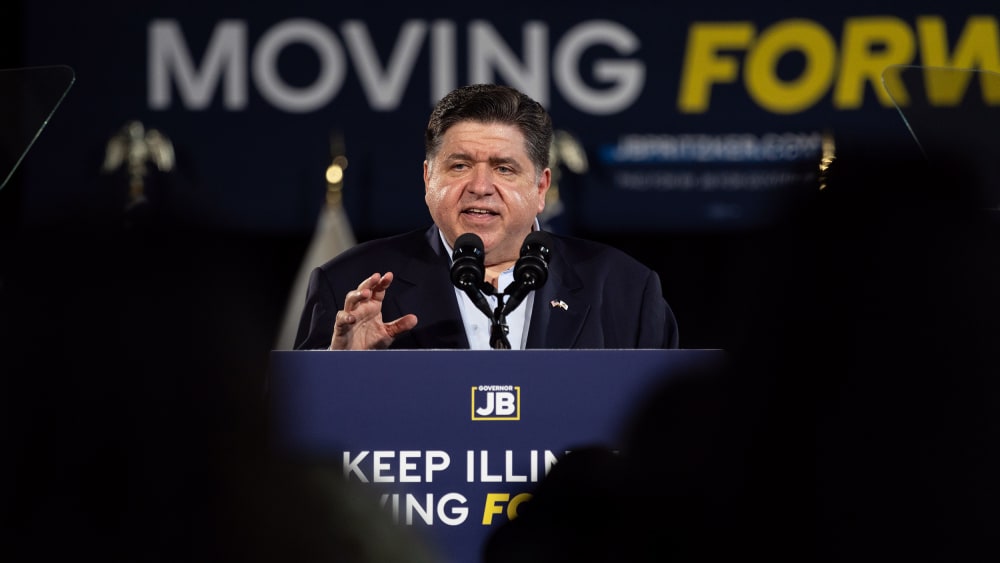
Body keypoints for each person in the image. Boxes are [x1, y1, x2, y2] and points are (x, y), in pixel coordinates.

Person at [293, 83, 679, 350]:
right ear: (428, 179)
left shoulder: (624, 288)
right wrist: (339, 373)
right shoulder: (348, 284)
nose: (480, 186)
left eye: (504, 168)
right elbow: (282, 450)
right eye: (459, 166)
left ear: (541, 187)